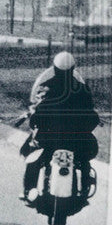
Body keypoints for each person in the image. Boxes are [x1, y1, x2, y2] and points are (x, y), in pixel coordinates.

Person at [20, 52, 100, 204]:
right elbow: (90, 112)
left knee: (32, 155)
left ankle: (28, 190)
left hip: (49, 137)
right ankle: (83, 190)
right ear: (73, 68)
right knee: (83, 160)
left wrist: (35, 122)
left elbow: (37, 111)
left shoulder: (46, 87)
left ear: (55, 68)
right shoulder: (83, 89)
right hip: (76, 138)